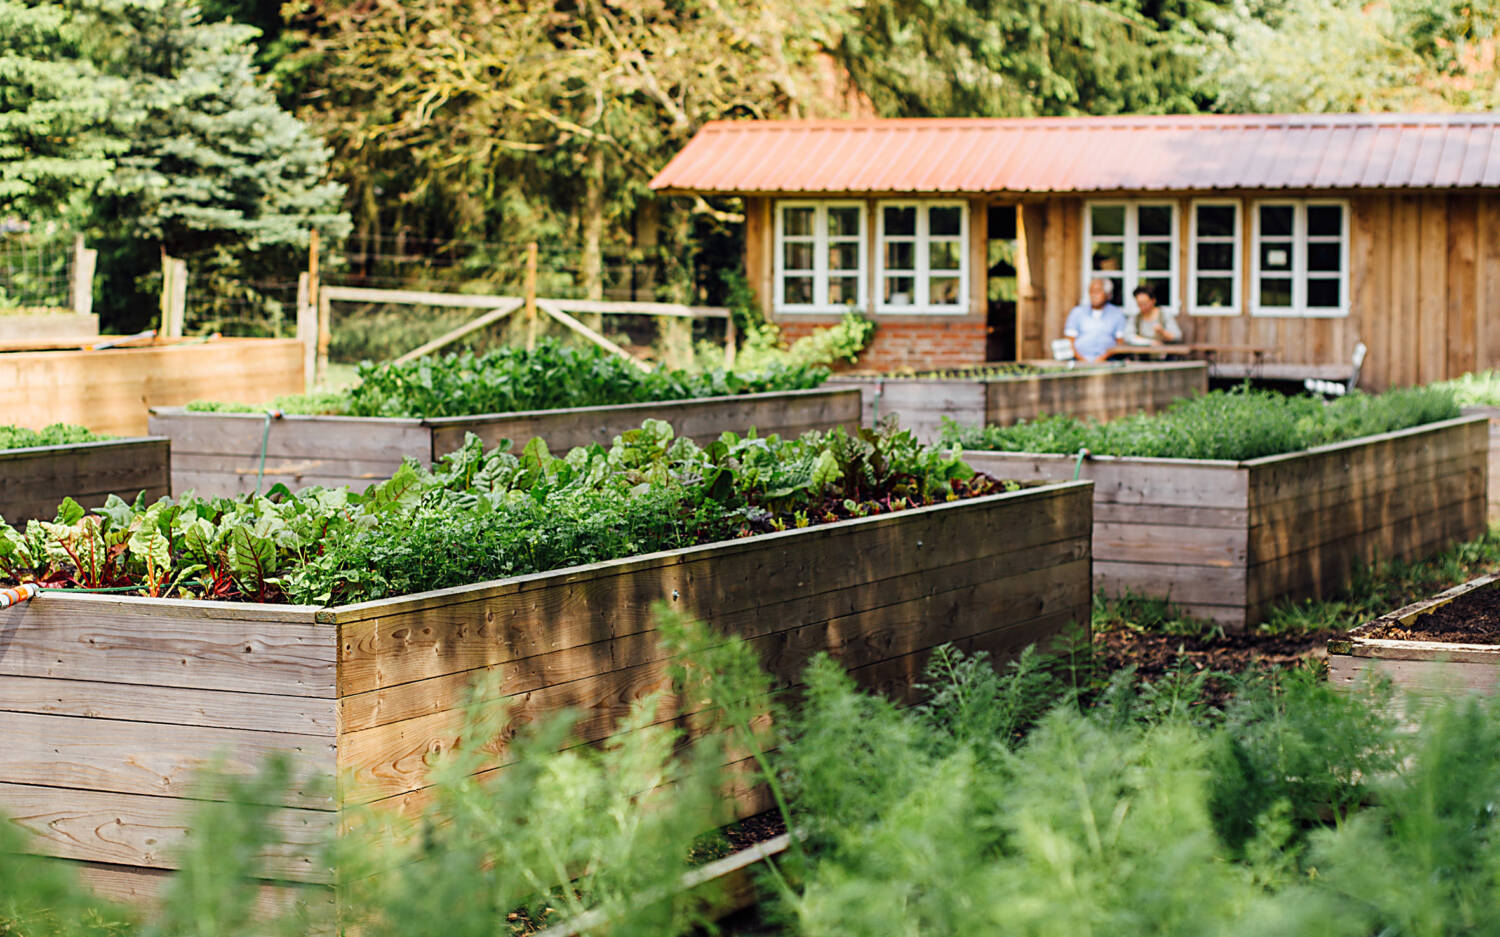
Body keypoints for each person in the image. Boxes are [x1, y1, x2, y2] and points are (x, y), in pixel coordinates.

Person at [1064, 277, 1128, 362]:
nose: (1094, 295)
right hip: (1078, 362)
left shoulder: (1117, 314)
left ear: (1107, 294)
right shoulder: (1077, 312)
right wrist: (1081, 360)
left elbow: (1120, 342)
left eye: (1098, 291)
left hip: (1108, 362)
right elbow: (1069, 341)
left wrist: (1103, 358)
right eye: (1091, 291)